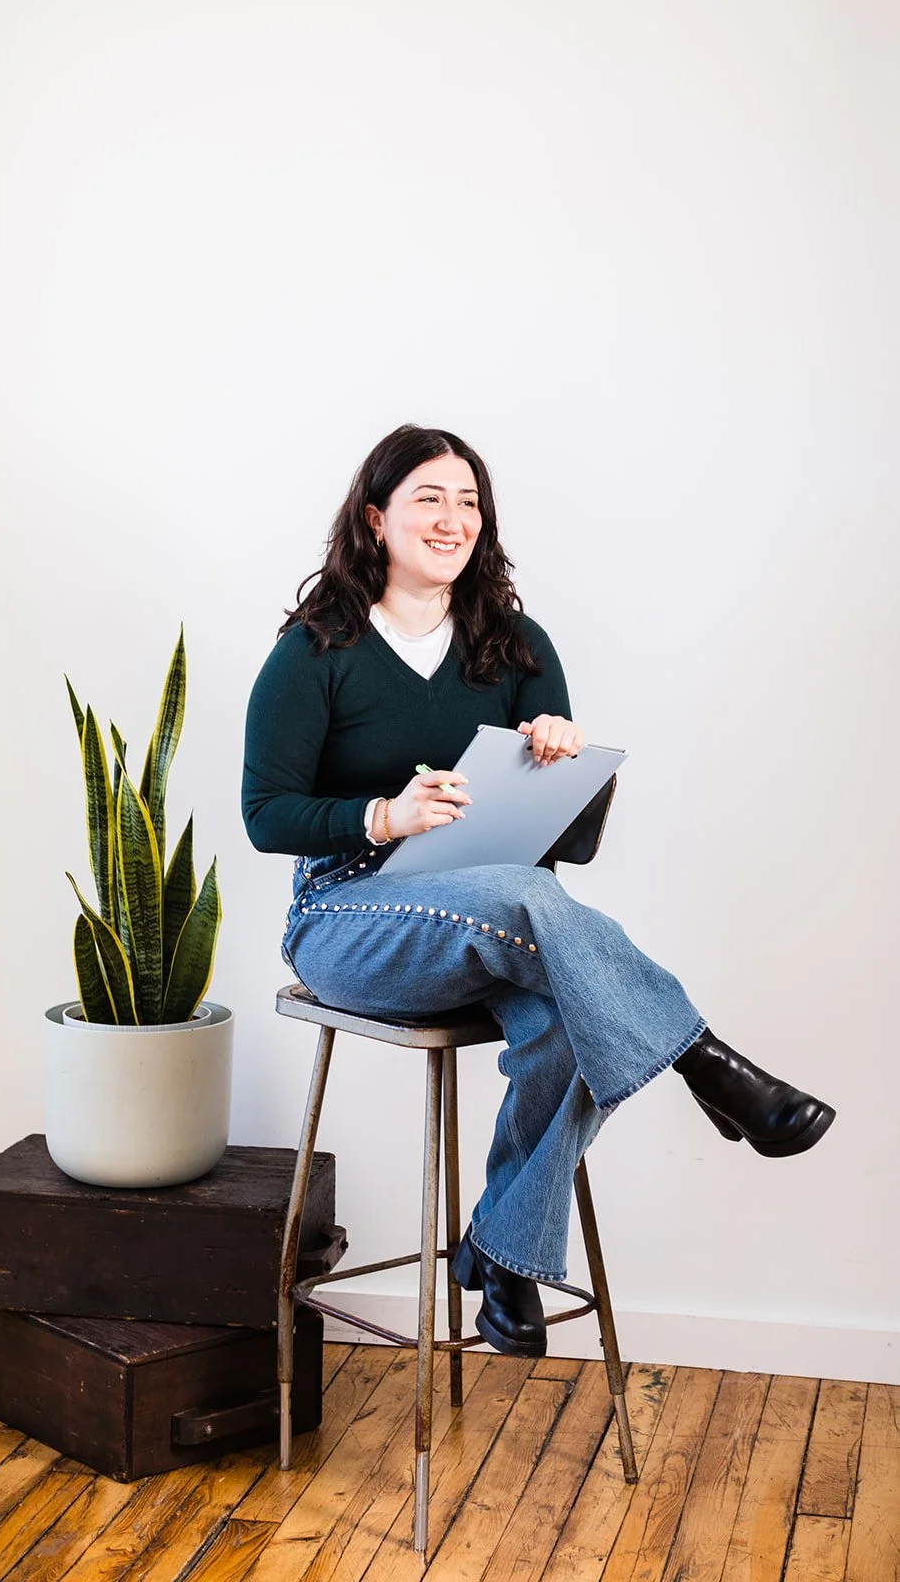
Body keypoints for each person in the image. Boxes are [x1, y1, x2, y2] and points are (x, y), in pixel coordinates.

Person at [241, 423, 836, 1359]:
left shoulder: (515, 645)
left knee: (570, 1010)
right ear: (373, 518)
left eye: (468, 501)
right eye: (427, 499)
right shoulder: (319, 650)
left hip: (499, 919)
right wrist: (386, 818)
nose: (451, 519)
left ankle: (505, 1255)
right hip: (348, 917)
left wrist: (568, 765)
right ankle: (706, 1064)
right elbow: (265, 813)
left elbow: (575, 848)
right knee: (533, 908)